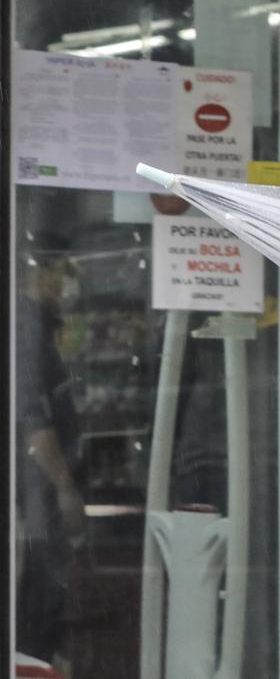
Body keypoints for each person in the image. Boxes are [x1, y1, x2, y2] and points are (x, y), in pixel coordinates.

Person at [14, 232, 85, 665]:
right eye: (63, 272)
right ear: (38, 271)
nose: (67, 285)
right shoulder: (27, 326)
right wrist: (63, 487)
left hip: (35, 492)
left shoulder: (35, 324)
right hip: (36, 492)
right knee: (39, 597)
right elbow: (33, 422)